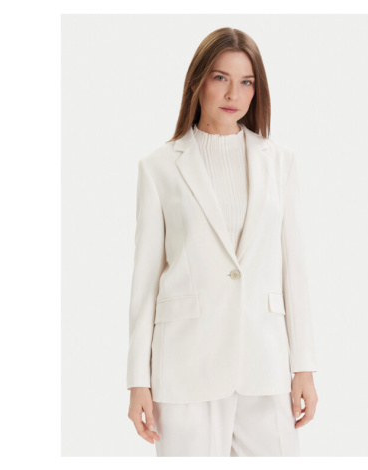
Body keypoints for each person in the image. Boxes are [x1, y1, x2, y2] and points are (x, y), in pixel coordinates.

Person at [126, 27, 318, 457]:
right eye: (220, 78)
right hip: (186, 367)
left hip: (265, 365)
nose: (234, 94)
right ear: (198, 81)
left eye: (246, 82)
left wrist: (304, 366)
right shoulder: (158, 167)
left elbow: (294, 269)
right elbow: (145, 281)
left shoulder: (280, 162)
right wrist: (138, 379)